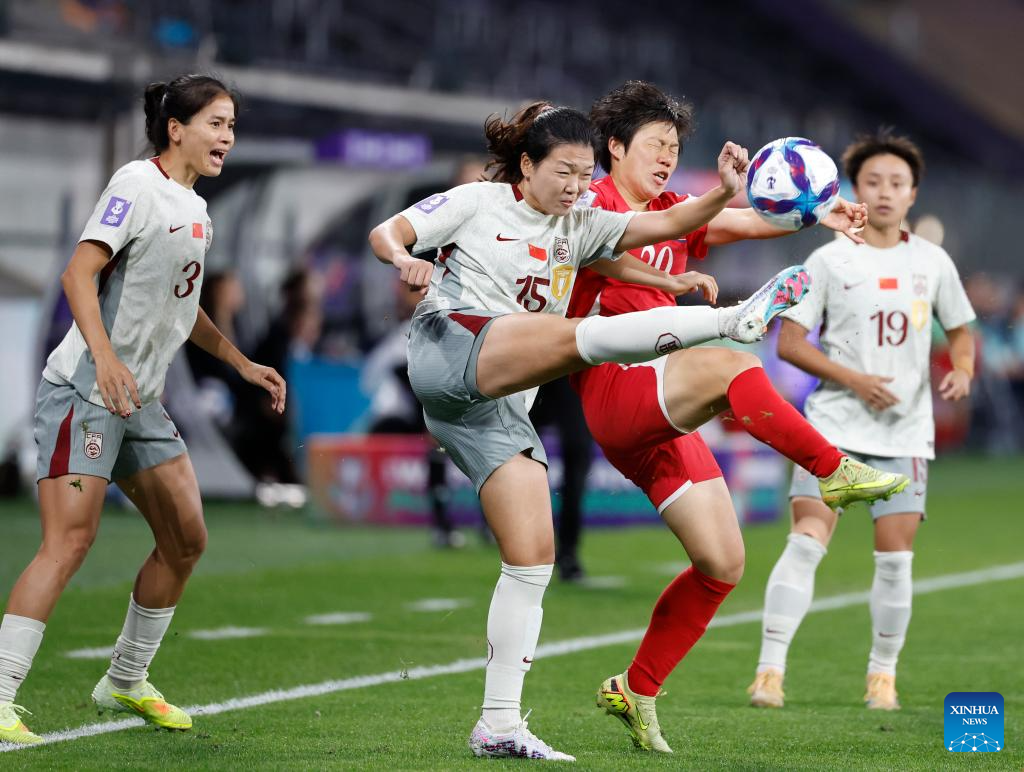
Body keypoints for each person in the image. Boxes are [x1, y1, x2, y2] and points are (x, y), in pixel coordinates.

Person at [369, 99, 865, 761]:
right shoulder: (489, 201)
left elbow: (677, 225)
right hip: (460, 346)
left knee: (534, 558)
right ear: (531, 163)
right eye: (565, 171)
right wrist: (404, 258)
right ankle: (741, 333)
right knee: (594, 338)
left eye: (582, 175)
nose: (576, 185)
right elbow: (390, 232)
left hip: (503, 401)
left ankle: (500, 724)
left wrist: (769, 208)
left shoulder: (591, 219)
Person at [557, 81, 908, 753]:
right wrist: (673, 279)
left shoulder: (675, 211)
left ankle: (635, 689)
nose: (667, 157)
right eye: (656, 144)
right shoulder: (592, 203)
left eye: (674, 147)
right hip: (615, 385)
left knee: (722, 563)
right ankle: (832, 470)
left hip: (663, 404)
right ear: (615, 147)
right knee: (728, 362)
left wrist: (821, 211)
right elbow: (602, 254)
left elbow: (746, 221)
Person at [0, 74, 286, 745]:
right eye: (216, 123)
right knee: (69, 542)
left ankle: (125, 680)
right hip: (86, 390)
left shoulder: (197, 210)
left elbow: (182, 308)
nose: (228, 137)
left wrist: (241, 363)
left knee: (186, 539)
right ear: (175, 129)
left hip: (141, 398)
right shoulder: (135, 183)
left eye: (232, 125)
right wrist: (103, 358)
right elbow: (77, 273)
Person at [748, 129, 976, 712]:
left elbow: (960, 330)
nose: (884, 191)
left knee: (895, 561)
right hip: (832, 427)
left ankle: (882, 677)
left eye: (897, 182)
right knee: (805, 544)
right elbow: (790, 343)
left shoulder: (932, 262)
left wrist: (963, 369)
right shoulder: (828, 258)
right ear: (854, 188)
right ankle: (769, 672)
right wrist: (854, 380)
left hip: (905, 432)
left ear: (913, 193)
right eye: (873, 181)